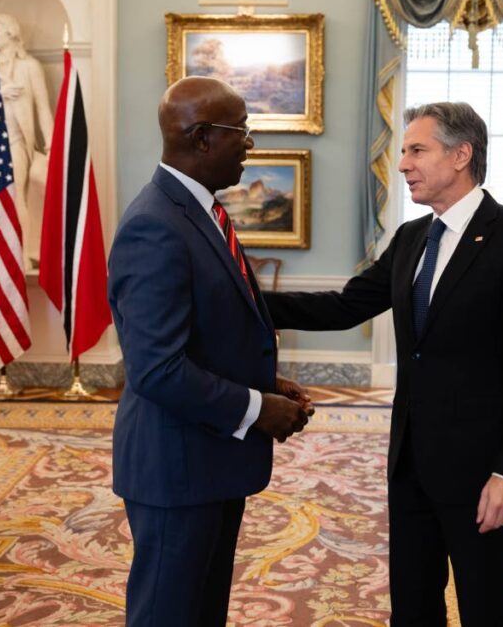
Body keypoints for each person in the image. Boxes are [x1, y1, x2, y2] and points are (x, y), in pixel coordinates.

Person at [263, 102, 503, 625]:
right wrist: (247, 296)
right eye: (404, 151)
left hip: (479, 470)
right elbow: (344, 306)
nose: (402, 164)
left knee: (486, 606)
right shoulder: (410, 239)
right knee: (414, 604)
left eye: (416, 150)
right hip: (410, 464)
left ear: (461, 155)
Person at [108, 76, 312, 626]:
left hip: (209, 459)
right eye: (240, 132)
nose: (250, 145)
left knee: (201, 613)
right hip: (175, 469)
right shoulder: (155, 225)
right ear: (202, 138)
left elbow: (211, 327)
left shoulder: (199, 211)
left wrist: (266, 385)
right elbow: (157, 369)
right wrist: (256, 408)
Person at [0, 13, 54, 266]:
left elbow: (43, 108)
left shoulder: (29, 66)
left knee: (16, 196)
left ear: (10, 34)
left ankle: (22, 254)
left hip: (17, 140)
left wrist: (51, 144)